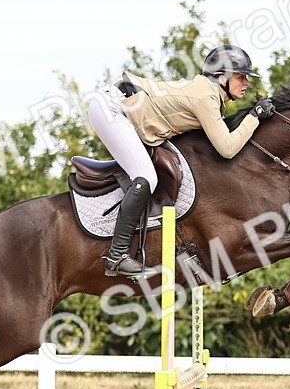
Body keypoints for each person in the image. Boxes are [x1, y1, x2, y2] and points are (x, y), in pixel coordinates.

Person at [86, 45, 277, 278]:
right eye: (240, 76)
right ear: (221, 76)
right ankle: (116, 256)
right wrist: (254, 116)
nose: (246, 82)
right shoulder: (205, 97)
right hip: (112, 110)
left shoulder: (208, 92)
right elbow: (227, 149)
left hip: (123, 103)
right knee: (146, 177)